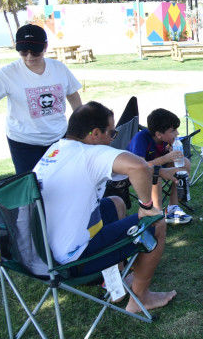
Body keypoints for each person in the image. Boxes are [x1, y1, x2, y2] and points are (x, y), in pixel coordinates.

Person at [34, 101, 176, 313]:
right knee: (156, 222)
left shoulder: (56, 149)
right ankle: (141, 299)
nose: (112, 138)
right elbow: (137, 166)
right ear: (95, 134)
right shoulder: (91, 153)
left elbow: (140, 169)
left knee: (116, 203)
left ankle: (117, 276)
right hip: (73, 260)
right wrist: (147, 206)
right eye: (112, 133)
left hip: (44, 253)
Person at [0, 24, 82, 174]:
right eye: (23, 51)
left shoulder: (59, 68)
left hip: (59, 138)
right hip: (23, 142)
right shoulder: (7, 74)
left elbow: (73, 95)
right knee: (30, 186)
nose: (29, 56)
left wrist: (80, 125)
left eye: (35, 51)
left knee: (59, 180)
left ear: (45, 46)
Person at [127, 108, 193, 225]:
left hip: (158, 168)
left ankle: (173, 208)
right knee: (155, 173)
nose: (177, 133)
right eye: (173, 130)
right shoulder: (141, 140)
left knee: (185, 162)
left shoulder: (167, 140)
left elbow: (168, 159)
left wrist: (173, 153)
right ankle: (157, 213)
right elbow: (140, 167)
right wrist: (166, 158)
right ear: (158, 134)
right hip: (137, 174)